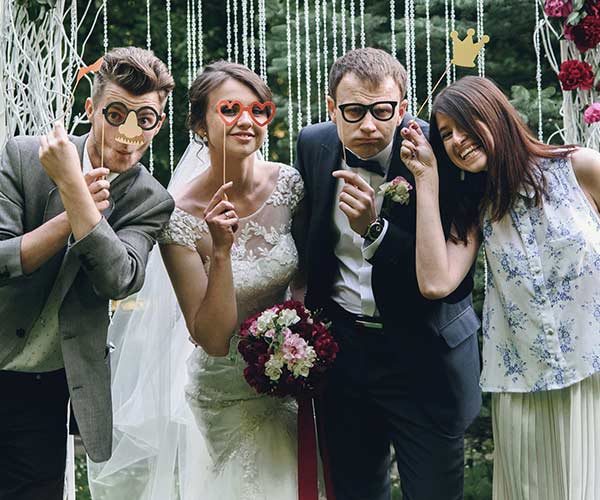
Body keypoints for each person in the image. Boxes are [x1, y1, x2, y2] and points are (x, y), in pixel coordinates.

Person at [88, 60, 305, 500]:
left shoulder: (290, 185)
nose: (247, 121)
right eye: (229, 109)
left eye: (258, 110)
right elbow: (211, 336)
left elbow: (307, 281)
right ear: (201, 126)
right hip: (226, 391)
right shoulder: (178, 216)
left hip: (296, 382)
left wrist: (306, 345)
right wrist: (221, 253)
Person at [400, 75, 600, 500]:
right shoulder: (475, 210)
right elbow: (435, 282)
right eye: (446, 134)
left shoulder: (579, 167)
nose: (456, 140)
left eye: (465, 125)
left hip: (594, 371)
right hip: (523, 387)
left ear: (496, 115)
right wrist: (427, 179)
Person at [294, 47, 481, 500]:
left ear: (402, 108)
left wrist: (374, 232)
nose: (369, 127)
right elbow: (306, 241)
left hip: (425, 356)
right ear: (331, 106)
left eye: (382, 112)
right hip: (344, 357)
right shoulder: (313, 144)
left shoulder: (441, 152)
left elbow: (443, 271)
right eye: (354, 111)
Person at [0, 46, 175, 499]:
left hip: (45, 384)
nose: (128, 133)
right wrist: (69, 206)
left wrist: (75, 193)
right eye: (116, 114)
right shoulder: (22, 157)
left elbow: (119, 278)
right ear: (91, 109)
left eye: (146, 120)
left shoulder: (151, 200)